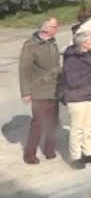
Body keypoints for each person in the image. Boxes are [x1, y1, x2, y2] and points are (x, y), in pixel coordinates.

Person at [18, 17, 60, 165]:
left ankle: (49, 150)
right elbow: (24, 70)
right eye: (55, 26)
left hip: (54, 89)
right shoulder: (31, 46)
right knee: (39, 123)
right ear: (45, 29)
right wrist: (26, 92)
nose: (57, 28)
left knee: (53, 122)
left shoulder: (52, 42)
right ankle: (29, 154)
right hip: (39, 91)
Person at [62, 30, 91, 168]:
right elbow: (73, 82)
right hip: (77, 98)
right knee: (77, 128)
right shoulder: (71, 60)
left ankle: (89, 152)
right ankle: (75, 157)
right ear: (83, 44)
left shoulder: (87, 54)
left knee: (90, 126)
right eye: (90, 40)